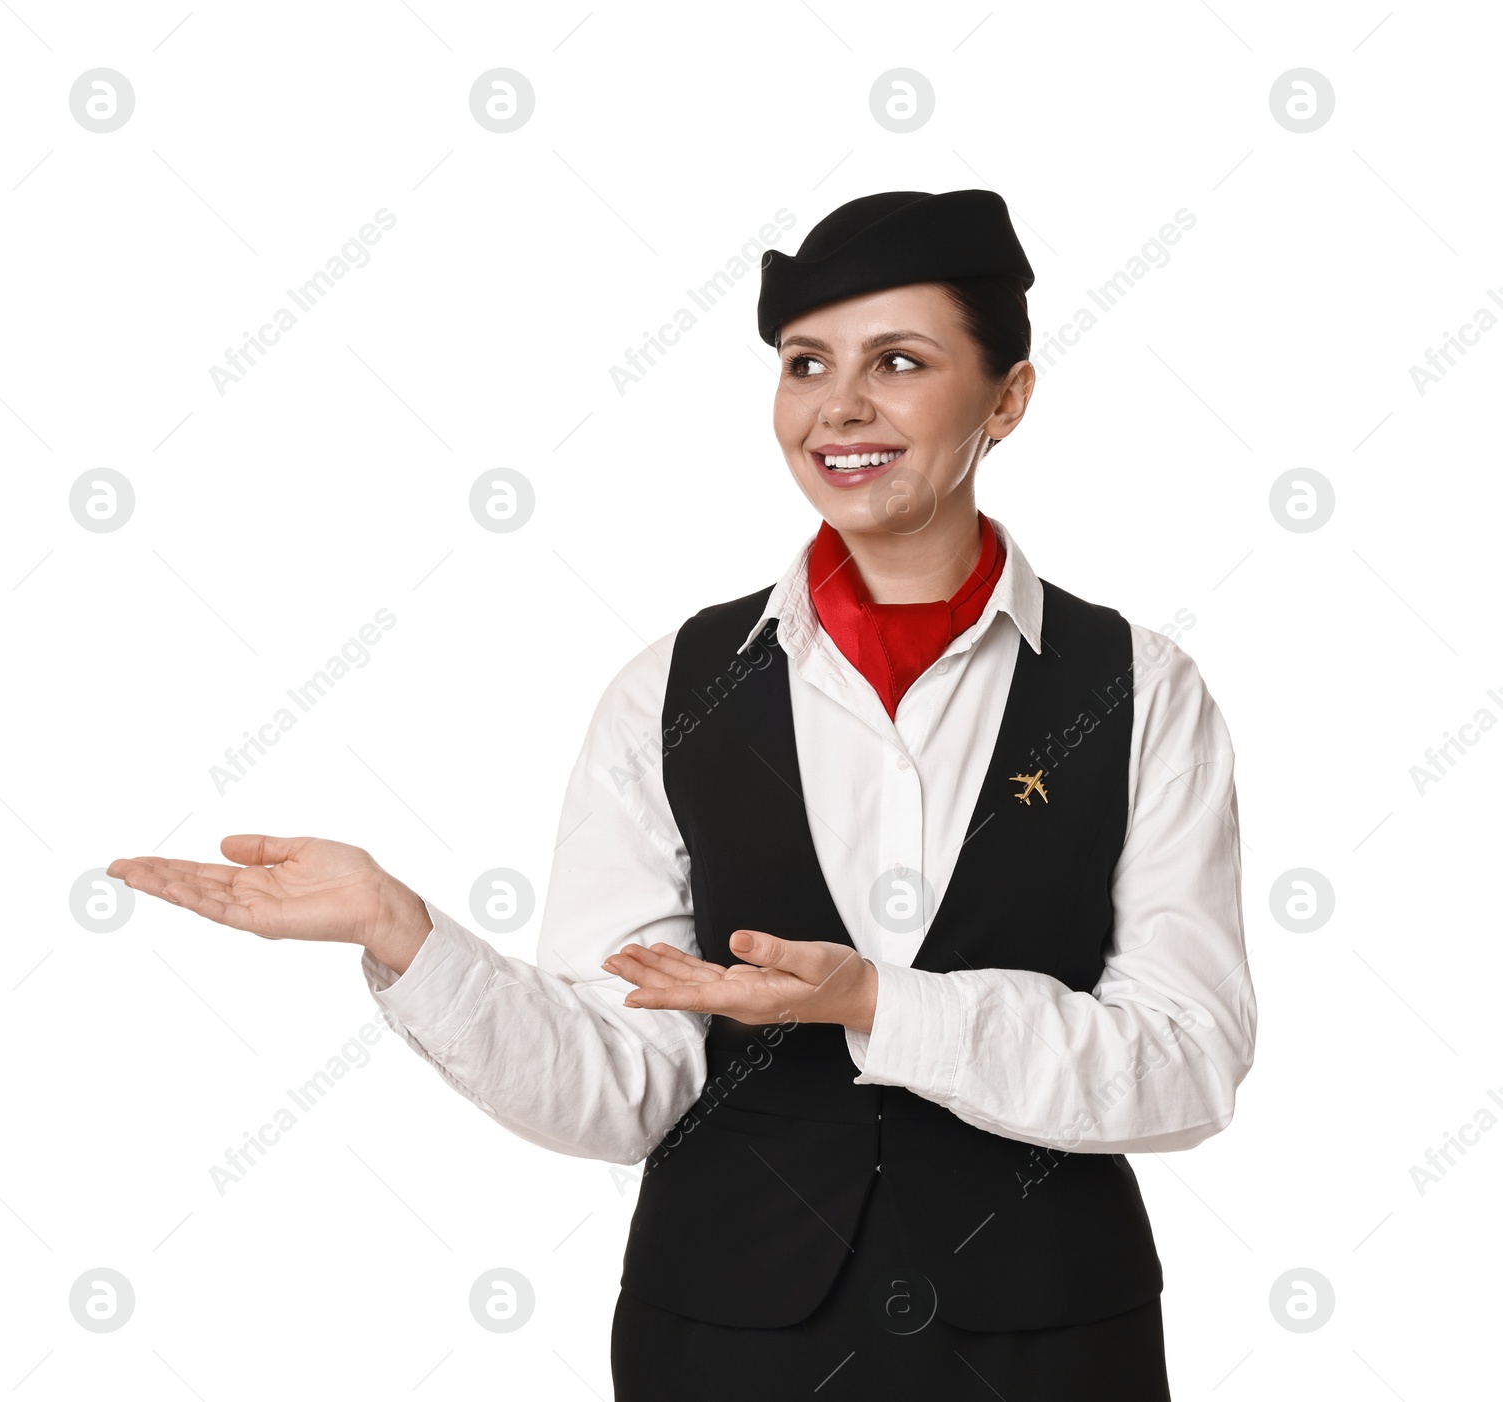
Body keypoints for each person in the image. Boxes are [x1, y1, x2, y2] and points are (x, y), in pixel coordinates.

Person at [109, 189, 1256, 1399]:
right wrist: (405, 933)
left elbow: (1187, 1063)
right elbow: (622, 1080)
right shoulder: (672, 687)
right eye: (805, 364)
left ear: (1007, 398)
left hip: (1051, 1343)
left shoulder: (1141, 689)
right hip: (724, 1341)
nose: (841, 406)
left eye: (899, 362)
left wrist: (876, 1000)